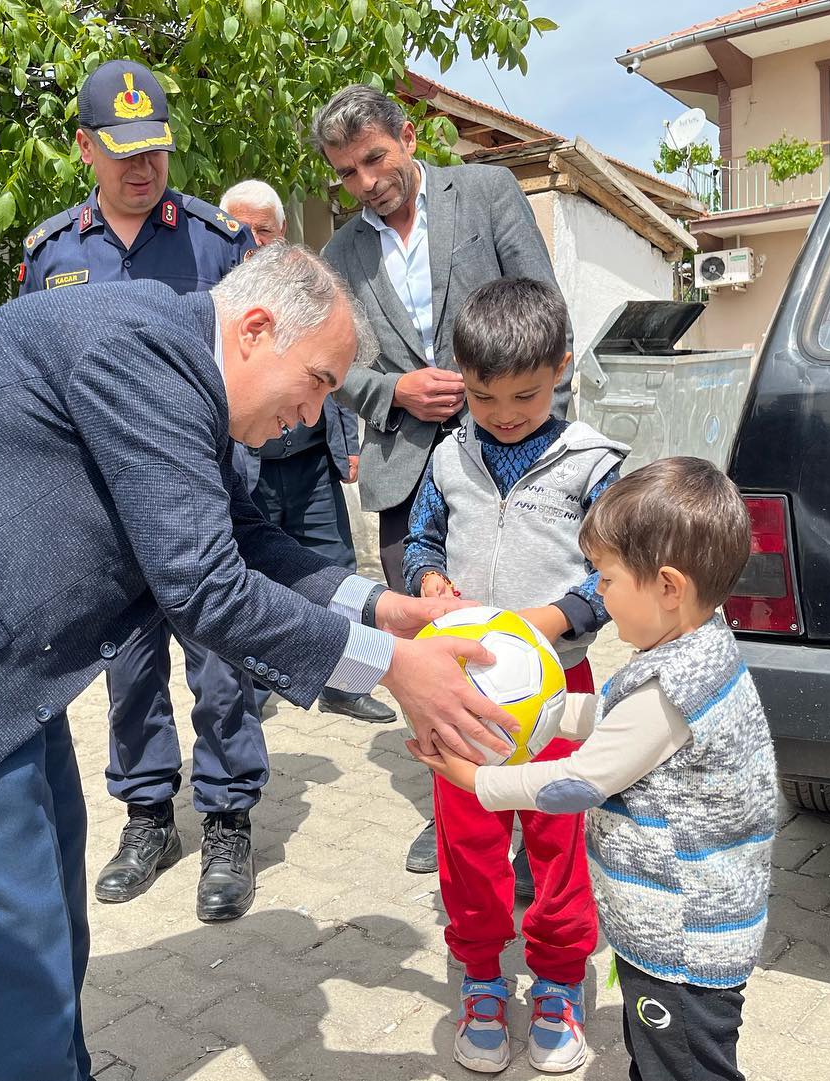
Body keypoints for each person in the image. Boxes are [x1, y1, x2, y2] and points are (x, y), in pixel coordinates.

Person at [0, 245, 521, 1081]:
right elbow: (205, 585)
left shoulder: (181, 364)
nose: (314, 413)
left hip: (1, 658)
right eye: (322, 380)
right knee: (5, 961)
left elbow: (243, 537)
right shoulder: (146, 352)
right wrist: (395, 667)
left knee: (50, 929)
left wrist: (379, 606)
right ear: (257, 329)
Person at [412, 457, 777, 1081]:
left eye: (605, 580)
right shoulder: (695, 647)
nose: (598, 596)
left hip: (682, 942)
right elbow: (609, 710)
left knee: (683, 1069)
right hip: (686, 928)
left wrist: (477, 781)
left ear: (667, 587)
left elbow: (574, 784)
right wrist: (532, 712)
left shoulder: (672, 690)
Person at [18, 60, 268, 921]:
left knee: (222, 659)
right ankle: (148, 814)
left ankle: (229, 817)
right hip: (105, 506)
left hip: (202, 490)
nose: (142, 167)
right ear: (85, 147)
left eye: (155, 149)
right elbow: (36, 375)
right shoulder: (53, 255)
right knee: (127, 667)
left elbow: (256, 369)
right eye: (123, 151)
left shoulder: (218, 243)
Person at [314, 83, 573, 873]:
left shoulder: (488, 192)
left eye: (374, 160)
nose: (365, 183)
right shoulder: (340, 254)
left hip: (507, 455)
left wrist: (547, 440)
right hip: (402, 471)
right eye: (347, 173)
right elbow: (334, 363)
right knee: (433, 644)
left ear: (409, 137)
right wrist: (391, 390)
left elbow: (544, 308)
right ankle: (459, 802)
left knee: (519, 638)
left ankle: (539, 807)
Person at [403, 279, 624, 1073]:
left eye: (526, 395)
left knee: (560, 835)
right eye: (484, 395)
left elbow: (616, 572)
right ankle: (484, 975)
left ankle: (563, 976)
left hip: (561, 690)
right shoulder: (449, 456)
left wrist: (550, 621)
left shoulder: (592, 463)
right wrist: (430, 586)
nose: (502, 413)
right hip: (458, 690)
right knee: (468, 841)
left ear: (562, 368)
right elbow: (422, 541)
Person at [221, 179, 394, 724]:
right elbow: (208, 585)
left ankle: (346, 683)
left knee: (332, 562)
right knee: (255, 573)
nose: (253, 240)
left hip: (309, 465)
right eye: (241, 230)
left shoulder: (315, 294)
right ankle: (258, 687)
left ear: (282, 231)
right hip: (250, 472)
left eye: (263, 230)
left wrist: (347, 449)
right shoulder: (221, 312)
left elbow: (333, 386)